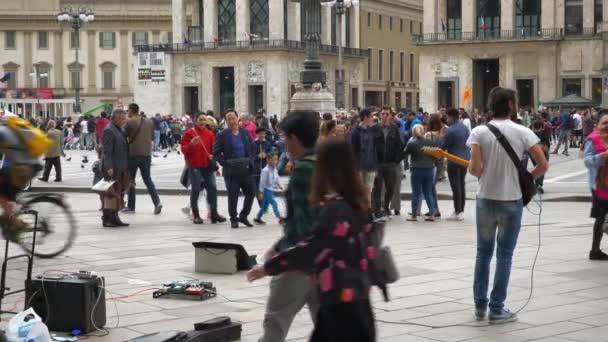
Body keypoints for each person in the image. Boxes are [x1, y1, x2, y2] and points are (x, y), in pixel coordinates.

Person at [248, 139, 376, 342]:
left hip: (340, 308)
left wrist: (268, 268)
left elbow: (311, 248)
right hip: (358, 303)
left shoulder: (336, 210)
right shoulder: (360, 206)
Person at [467, 87, 548, 324]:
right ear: (511, 105)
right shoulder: (523, 132)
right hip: (511, 199)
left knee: (483, 253)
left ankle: (479, 306)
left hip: (485, 199)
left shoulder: (479, 132)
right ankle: (497, 308)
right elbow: (542, 165)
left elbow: (475, 170)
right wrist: (527, 178)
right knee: (504, 255)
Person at [255, 111, 320, 342]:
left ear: (294, 138)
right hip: (325, 262)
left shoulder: (303, 170)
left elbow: (303, 225)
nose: (283, 143)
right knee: (327, 328)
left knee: (275, 322)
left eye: (284, 138)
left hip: (299, 262)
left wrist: (277, 255)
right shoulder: (323, 162)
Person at [213, 110, 256, 228]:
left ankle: (243, 215)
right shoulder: (222, 135)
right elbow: (216, 153)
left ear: (238, 118)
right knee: (233, 196)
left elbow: (252, 148)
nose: (232, 121)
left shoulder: (245, 133)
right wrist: (225, 163)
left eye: (233, 118)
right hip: (231, 171)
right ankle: (234, 218)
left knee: (251, 193)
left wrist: (250, 160)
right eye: (229, 119)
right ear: (226, 121)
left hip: (246, 169)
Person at [181, 113, 226, 224]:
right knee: (196, 189)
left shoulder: (210, 134)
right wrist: (191, 144)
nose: (202, 122)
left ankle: (214, 213)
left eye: (204, 120)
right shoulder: (189, 134)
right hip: (195, 165)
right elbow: (184, 150)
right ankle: (196, 214)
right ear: (195, 121)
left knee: (212, 189)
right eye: (200, 120)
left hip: (207, 166)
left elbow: (213, 150)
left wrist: (214, 160)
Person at [124, 103, 162, 215]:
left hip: (133, 153)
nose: (128, 113)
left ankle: (131, 206)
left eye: (128, 111)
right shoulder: (149, 121)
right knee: (148, 179)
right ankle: (157, 202)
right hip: (146, 154)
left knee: (131, 179)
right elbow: (152, 137)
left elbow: (123, 135)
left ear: (131, 110)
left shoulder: (129, 121)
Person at [100, 109, 131, 228]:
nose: (125, 121)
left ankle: (115, 217)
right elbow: (106, 151)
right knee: (110, 194)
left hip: (120, 166)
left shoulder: (119, 129)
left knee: (118, 193)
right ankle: (107, 219)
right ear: (116, 119)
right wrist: (109, 167)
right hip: (112, 167)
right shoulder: (109, 130)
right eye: (123, 119)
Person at [583, 114, 608, 260]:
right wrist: (601, 157)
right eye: (604, 122)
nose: (607, 125)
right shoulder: (593, 139)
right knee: (600, 218)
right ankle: (595, 250)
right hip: (599, 186)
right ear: (599, 124)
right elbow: (587, 161)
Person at [371, 106, 403, 217]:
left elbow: (399, 145)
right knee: (377, 188)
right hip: (378, 163)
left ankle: (385, 206)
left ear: (390, 116)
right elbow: (371, 146)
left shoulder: (394, 128)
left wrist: (396, 160)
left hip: (390, 163)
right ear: (380, 115)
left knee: (390, 187)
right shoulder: (374, 128)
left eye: (387, 114)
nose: (384, 116)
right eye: (383, 114)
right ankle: (377, 209)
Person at [403, 125, 439, 221]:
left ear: (414, 132)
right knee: (428, 193)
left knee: (416, 193)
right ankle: (432, 214)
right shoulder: (430, 142)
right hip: (429, 170)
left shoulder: (411, 143)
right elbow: (436, 156)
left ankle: (414, 215)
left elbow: (404, 154)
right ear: (423, 131)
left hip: (416, 170)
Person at [441, 108, 471, 221]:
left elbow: (443, 146)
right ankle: (461, 210)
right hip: (464, 160)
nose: (447, 120)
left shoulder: (450, 130)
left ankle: (457, 211)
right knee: (461, 185)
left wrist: (442, 136)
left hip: (453, 160)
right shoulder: (464, 128)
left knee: (455, 186)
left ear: (451, 117)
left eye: (447, 117)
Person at [349, 108, 381, 190]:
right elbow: (352, 150)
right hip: (358, 167)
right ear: (366, 118)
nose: (372, 120)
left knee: (368, 191)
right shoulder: (355, 132)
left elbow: (373, 149)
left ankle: (368, 203)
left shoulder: (371, 130)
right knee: (358, 191)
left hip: (370, 166)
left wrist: (375, 166)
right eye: (371, 118)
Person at [254, 153, 282, 225]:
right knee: (274, 203)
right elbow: (262, 182)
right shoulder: (265, 170)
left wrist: (279, 185)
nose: (275, 161)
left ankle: (258, 218)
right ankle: (280, 218)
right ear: (268, 160)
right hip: (266, 190)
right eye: (273, 160)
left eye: (276, 160)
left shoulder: (275, 169)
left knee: (264, 207)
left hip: (271, 190)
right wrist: (260, 192)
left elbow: (277, 177)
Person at [253, 127, 272, 200]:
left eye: (263, 134)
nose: (262, 135)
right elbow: (251, 155)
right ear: (257, 135)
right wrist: (257, 156)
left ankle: (264, 206)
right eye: (260, 134)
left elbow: (270, 154)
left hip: (265, 168)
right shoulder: (253, 143)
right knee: (258, 190)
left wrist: (266, 155)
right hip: (256, 170)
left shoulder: (267, 143)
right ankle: (262, 206)